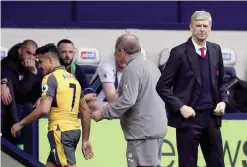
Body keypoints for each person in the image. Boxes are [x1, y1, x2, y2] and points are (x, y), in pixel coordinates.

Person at [156, 11, 228, 167]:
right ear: (191, 27)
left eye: (205, 26)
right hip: (188, 120)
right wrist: (180, 107)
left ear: (210, 28)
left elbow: (222, 81)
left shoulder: (215, 50)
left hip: (212, 118)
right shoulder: (179, 52)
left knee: (218, 164)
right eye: (198, 26)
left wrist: (223, 101)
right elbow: (162, 86)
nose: (202, 29)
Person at [11, 44, 94, 167]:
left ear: (50, 60)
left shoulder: (50, 78)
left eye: (40, 62)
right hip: (73, 132)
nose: (39, 66)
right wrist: (85, 140)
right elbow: (86, 111)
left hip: (60, 132)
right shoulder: (73, 79)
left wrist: (21, 123)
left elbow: (43, 109)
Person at [91, 34, 167, 167]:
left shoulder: (132, 68)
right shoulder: (152, 67)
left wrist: (103, 113)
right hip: (154, 129)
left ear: (121, 51)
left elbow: (127, 100)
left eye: (116, 53)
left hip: (142, 132)